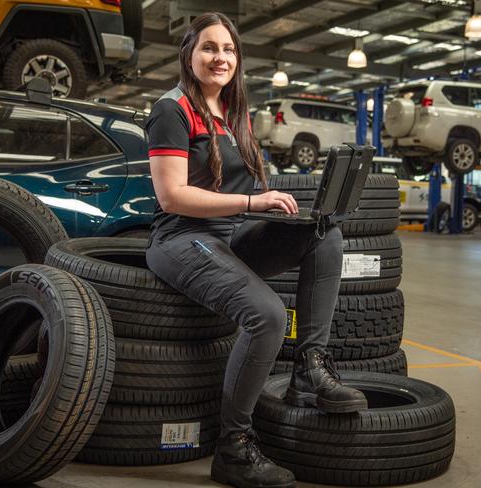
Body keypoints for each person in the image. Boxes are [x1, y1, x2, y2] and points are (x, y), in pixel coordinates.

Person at [144, 12, 367, 488]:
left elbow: (253, 187)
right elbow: (172, 196)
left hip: (230, 235)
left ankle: (309, 370)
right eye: (208, 47)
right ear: (189, 54)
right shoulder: (173, 108)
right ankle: (233, 448)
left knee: (325, 234)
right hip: (182, 238)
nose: (219, 57)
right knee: (265, 314)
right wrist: (251, 201)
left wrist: (282, 211)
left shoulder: (237, 111)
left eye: (228, 49)